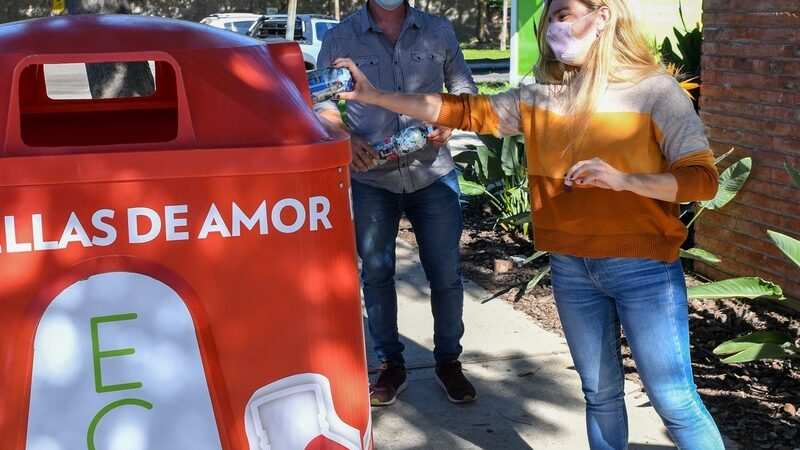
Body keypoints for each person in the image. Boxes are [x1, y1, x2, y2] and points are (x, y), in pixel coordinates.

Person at [332, 0, 726, 447]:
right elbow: (463, 110)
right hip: (572, 267)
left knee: (673, 399)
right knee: (599, 395)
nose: (553, 27)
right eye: (550, 19)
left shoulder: (655, 91)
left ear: (602, 16)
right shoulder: (540, 95)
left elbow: (702, 180)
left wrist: (624, 180)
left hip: (643, 268)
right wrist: (373, 95)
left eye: (564, 14)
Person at [314, 0, 478, 406]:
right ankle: (391, 365)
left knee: (445, 275)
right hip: (370, 178)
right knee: (377, 275)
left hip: (432, 173)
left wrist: (450, 118)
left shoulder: (438, 30)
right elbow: (319, 103)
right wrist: (346, 141)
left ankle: (448, 362)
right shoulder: (340, 37)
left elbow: (465, 90)